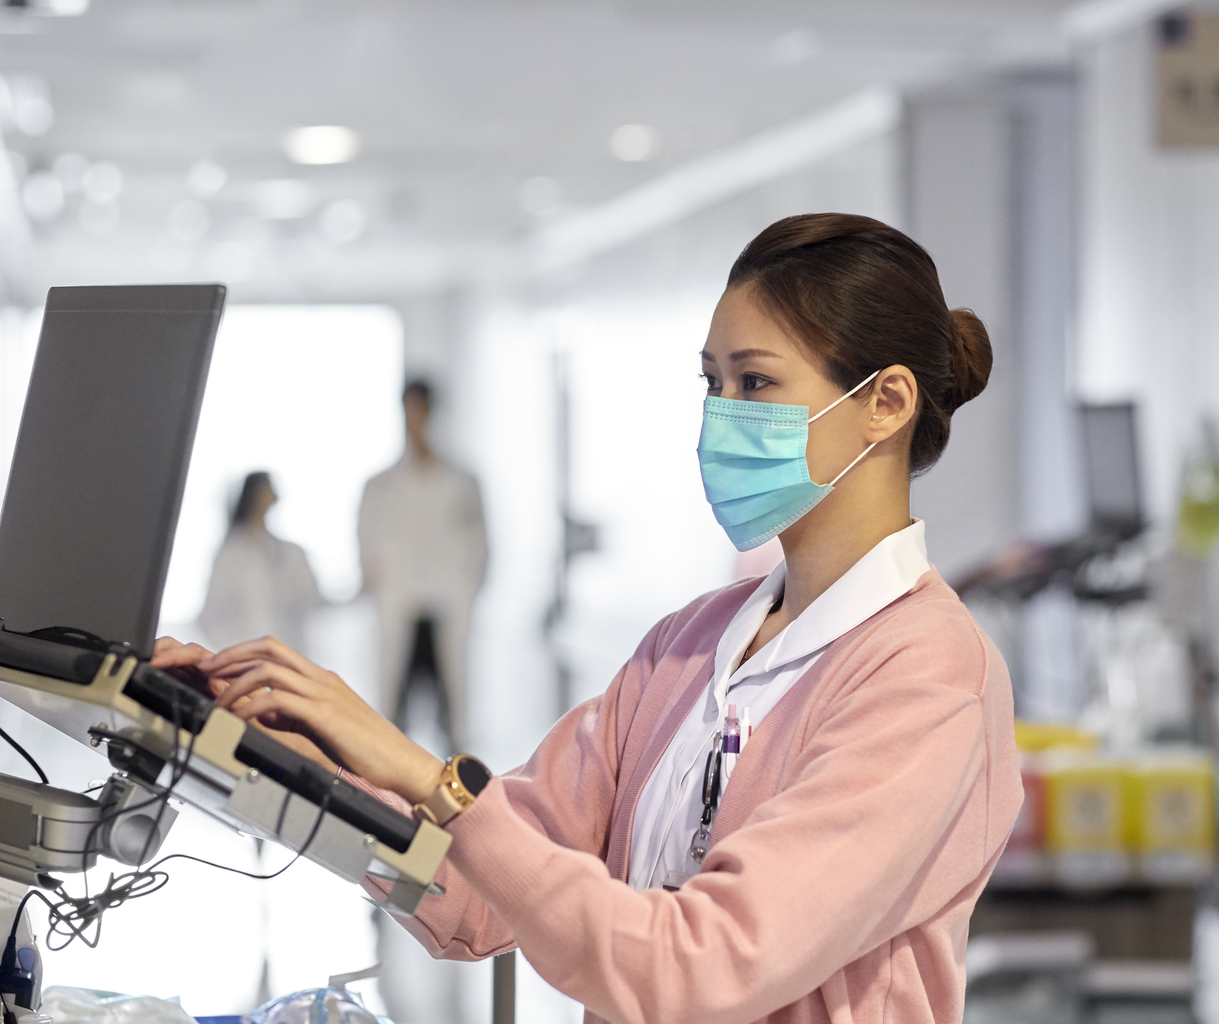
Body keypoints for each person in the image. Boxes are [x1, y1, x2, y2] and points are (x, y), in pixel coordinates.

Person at [157, 214, 1023, 1024]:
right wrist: (269, 751)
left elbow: (701, 966)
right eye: (711, 383)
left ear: (887, 402)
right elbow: (476, 895)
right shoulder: (688, 647)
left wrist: (433, 780)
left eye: (754, 382)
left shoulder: (930, 675)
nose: (720, 416)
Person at [356, 380, 487, 751]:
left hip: (449, 602)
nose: (415, 419)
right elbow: (367, 550)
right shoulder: (380, 486)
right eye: (409, 410)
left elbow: (480, 546)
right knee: (394, 708)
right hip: (399, 602)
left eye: (421, 410)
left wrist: (466, 587)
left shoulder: (462, 482)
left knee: (453, 706)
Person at [198, 472, 322, 654]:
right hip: (245, 652)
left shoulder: (290, 553)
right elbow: (212, 615)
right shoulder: (231, 554)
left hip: (289, 652)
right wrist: (235, 650)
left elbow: (311, 599)